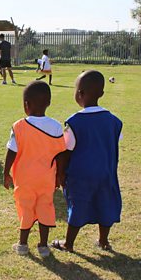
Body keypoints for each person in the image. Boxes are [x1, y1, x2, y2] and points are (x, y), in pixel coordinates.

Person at [51, 70, 123, 252]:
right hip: (106, 173)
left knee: (77, 207)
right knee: (105, 205)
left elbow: (66, 151)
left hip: (80, 176)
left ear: (80, 93)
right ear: (101, 93)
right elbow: (114, 141)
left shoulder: (74, 122)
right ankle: (103, 241)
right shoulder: (114, 121)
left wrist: (60, 173)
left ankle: (68, 243)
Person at [4, 81, 66, 257]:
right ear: (49, 102)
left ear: (26, 104)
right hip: (46, 178)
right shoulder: (56, 126)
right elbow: (61, 154)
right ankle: (43, 246)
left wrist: (5, 172)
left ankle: (22, 244)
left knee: (26, 208)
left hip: (24, 179)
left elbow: (11, 151)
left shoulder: (19, 126)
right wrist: (59, 175)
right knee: (45, 207)